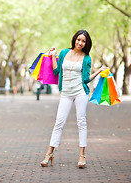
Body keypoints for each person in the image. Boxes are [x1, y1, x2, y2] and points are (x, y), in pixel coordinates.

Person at [40, 30, 108, 168]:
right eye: (78, 39)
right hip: (65, 92)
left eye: (83, 41)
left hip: (80, 92)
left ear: (86, 43)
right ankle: (49, 153)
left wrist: (99, 71)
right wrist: (53, 56)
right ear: (74, 39)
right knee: (59, 122)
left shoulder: (87, 58)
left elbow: (85, 79)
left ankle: (82, 155)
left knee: (81, 122)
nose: (80, 43)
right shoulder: (65, 53)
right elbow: (56, 71)